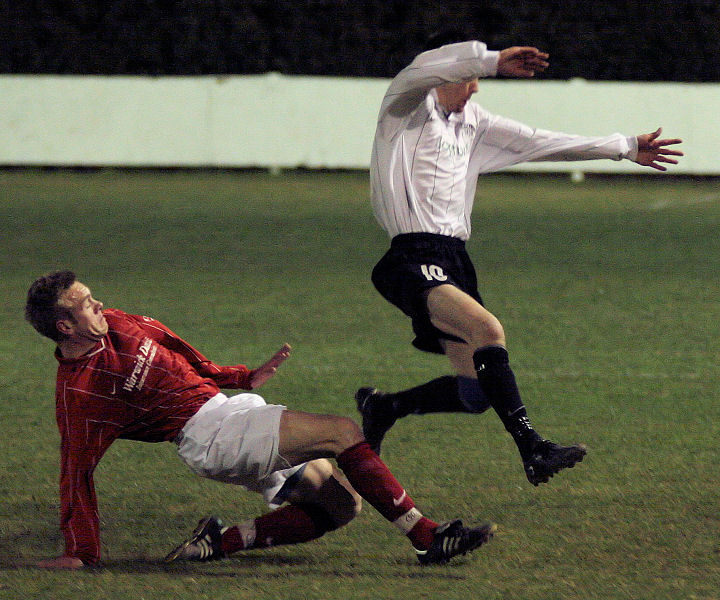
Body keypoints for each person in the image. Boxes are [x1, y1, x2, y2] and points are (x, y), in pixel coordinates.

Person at [357, 32, 683, 485]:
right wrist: (488, 60)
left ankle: (385, 406)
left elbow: (539, 142)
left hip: (454, 259)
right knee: (488, 330)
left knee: (476, 392)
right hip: (411, 257)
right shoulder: (406, 105)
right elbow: (426, 67)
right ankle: (533, 448)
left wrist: (624, 147)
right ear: (447, 68)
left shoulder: (473, 123)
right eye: (468, 77)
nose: (475, 87)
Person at [25, 270, 496, 569]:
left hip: (229, 413)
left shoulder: (123, 323)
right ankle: (428, 539)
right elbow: (76, 472)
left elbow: (182, 354)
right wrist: (82, 553)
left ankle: (219, 542)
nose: (98, 304)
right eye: (86, 303)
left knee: (340, 507)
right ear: (64, 326)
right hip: (209, 439)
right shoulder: (80, 392)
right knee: (342, 432)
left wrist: (241, 377)